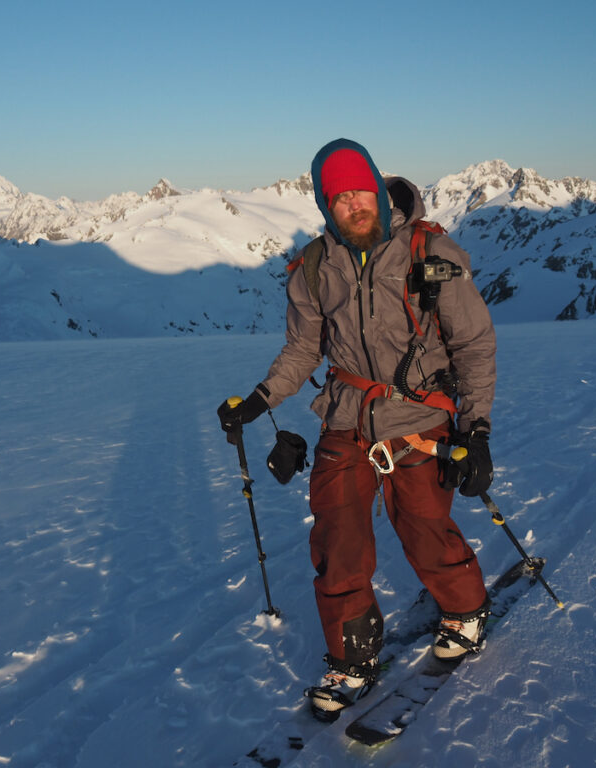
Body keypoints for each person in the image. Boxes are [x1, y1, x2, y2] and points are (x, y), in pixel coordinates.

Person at [217, 138, 497, 721]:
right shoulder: (315, 267)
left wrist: (476, 432)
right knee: (338, 538)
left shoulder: (432, 251)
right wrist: (262, 398)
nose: (353, 205)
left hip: (420, 417)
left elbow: (472, 344)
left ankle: (466, 610)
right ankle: (354, 659)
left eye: (359, 192)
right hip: (346, 419)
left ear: (377, 188)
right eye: (338, 197)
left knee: (423, 525)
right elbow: (302, 350)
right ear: (325, 206)